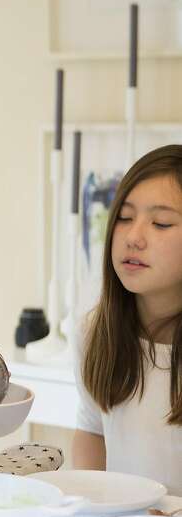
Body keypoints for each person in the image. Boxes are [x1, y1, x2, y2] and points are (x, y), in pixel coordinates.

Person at [73, 145, 182, 492]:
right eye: (124, 217)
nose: (133, 238)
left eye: (161, 222)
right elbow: (92, 430)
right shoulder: (95, 333)